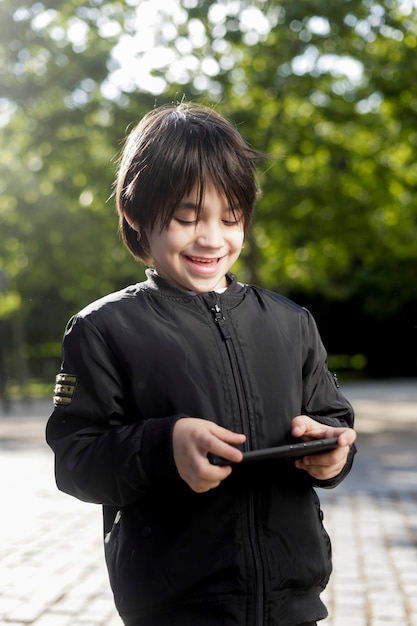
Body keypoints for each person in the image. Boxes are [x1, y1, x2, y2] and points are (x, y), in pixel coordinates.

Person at [46, 103, 356, 626]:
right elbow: (75, 460)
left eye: (230, 218)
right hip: (175, 606)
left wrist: (331, 453)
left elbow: (333, 418)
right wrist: (164, 446)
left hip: (293, 604)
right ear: (135, 215)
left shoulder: (290, 321)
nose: (212, 238)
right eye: (188, 218)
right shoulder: (103, 329)